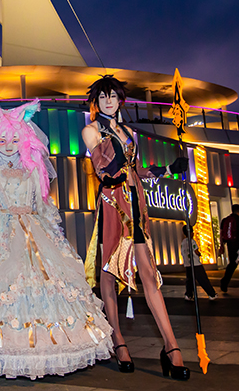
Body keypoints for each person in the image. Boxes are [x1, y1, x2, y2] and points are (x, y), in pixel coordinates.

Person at [0, 100, 112, 379]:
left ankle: (43, 350)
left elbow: (42, 203)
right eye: (2, 139)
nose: (9, 145)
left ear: (24, 139)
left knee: (46, 287)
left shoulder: (33, 168)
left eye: (14, 139)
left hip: (34, 232)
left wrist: (54, 229)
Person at [81, 75, 190, 381]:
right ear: (96, 102)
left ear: (120, 100)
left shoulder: (130, 132)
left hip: (137, 204)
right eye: (103, 97)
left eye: (113, 96)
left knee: (148, 273)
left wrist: (168, 168)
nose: (108, 101)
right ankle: (118, 340)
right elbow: (104, 169)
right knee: (109, 270)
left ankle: (171, 346)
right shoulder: (92, 130)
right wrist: (119, 173)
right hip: (112, 203)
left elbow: (137, 170)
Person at [218, 204, 239, 295]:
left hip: (231, 245)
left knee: (232, 264)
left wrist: (222, 245)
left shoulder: (225, 220)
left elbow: (221, 234)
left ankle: (225, 281)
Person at [181, 226, 217, 301]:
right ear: (190, 232)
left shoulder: (183, 242)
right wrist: (200, 254)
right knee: (203, 279)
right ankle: (211, 294)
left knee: (190, 280)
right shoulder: (192, 241)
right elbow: (196, 251)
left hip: (187, 264)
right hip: (196, 264)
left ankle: (188, 294)